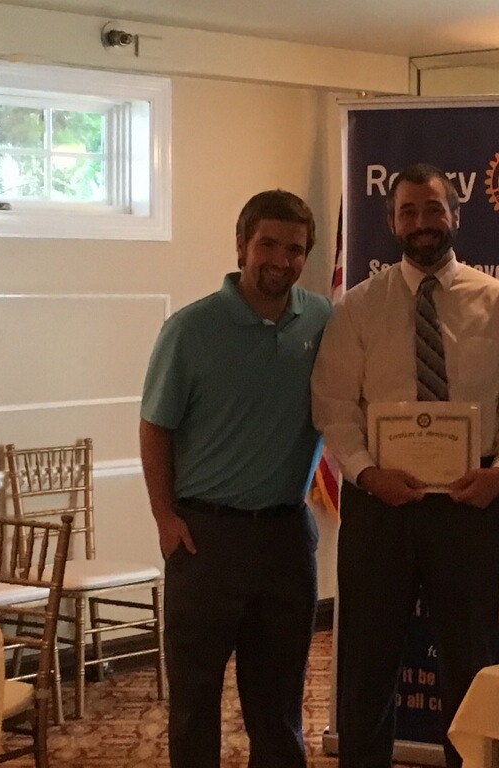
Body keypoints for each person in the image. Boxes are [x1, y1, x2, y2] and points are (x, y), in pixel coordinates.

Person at [311, 163, 499, 768]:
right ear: (390, 222)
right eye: (408, 211)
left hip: (469, 502)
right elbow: (333, 406)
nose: (422, 222)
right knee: (367, 663)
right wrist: (366, 473)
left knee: (468, 662)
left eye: (434, 209)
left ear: (455, 215)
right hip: (378, 503)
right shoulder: (359, 307)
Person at [139, 189, 332, 768]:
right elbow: (155, 427)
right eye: (268, 244)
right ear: (242, 246)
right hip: (206, 539)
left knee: (278, 704)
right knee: (195, 702)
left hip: (285, 539)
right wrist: (165, 517)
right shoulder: (190, 329)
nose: (281, 259)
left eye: (295, 249)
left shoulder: (322, 320)